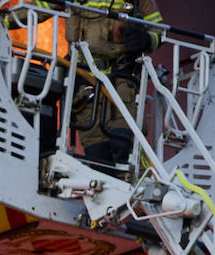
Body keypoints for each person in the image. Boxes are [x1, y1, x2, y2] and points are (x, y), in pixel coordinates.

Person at [64, 0, 164, 167]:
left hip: (123, 81)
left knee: (122, 146)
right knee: (97, 155)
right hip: (86, 84)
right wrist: (7, 19)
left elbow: (160, 31)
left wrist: (146, 39)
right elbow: (42, 6)